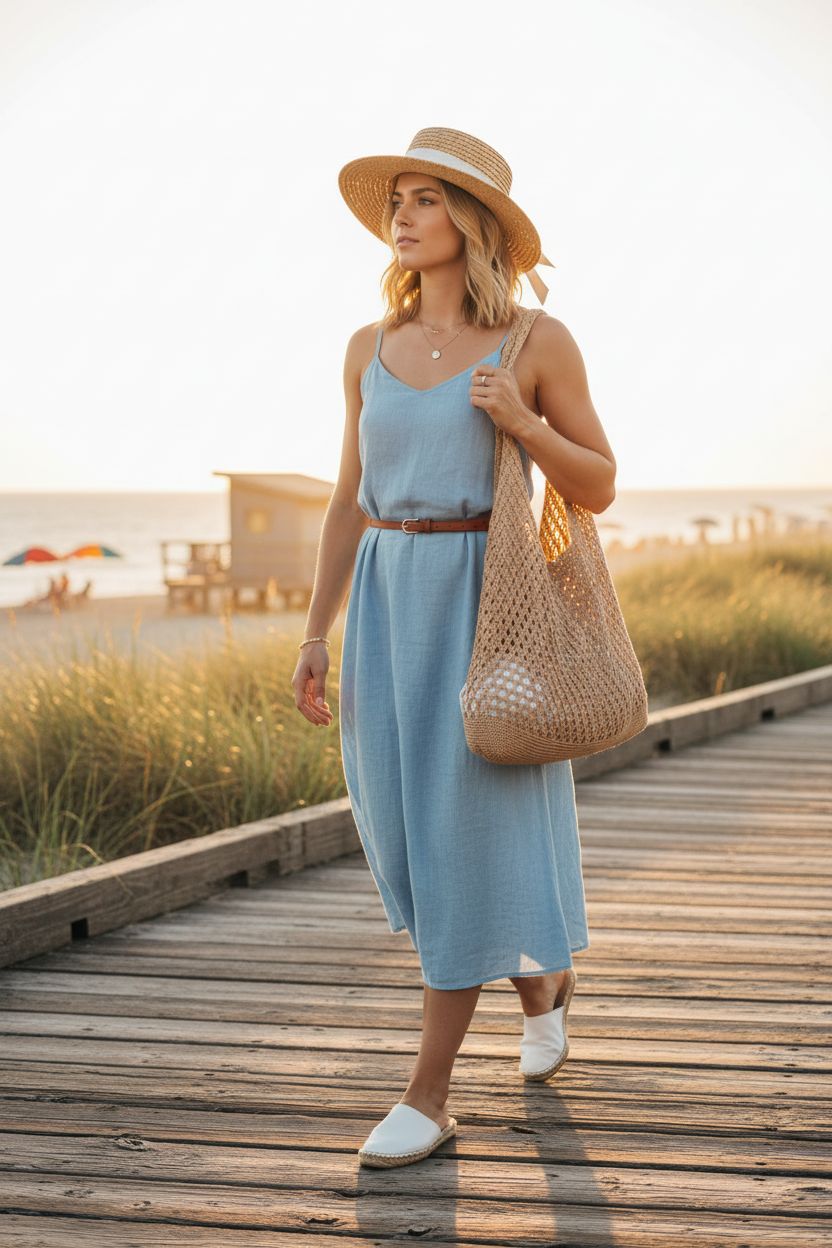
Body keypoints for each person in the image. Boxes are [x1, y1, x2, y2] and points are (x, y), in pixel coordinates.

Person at [291, 127, 617, 1168]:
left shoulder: (536, 341)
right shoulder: (364, 347)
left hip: (488, 607)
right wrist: (313, 630)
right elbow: (346, 502)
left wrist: (521, 422)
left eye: (425, 198)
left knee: (457, 830)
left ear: (471, 223)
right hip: (389, 605)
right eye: (398, 198)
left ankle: (428, 1096)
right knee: (411, 834)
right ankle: (540, 980)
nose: (403, 214)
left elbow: (597, 482)